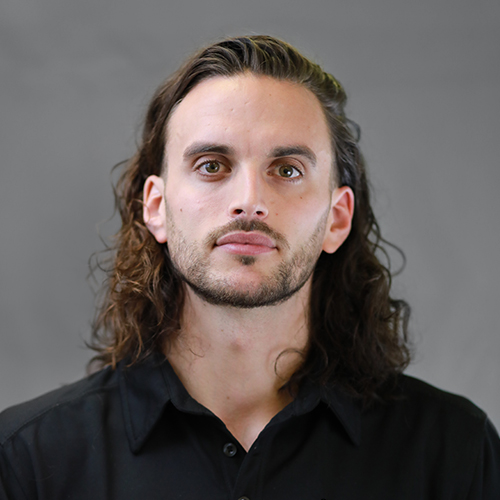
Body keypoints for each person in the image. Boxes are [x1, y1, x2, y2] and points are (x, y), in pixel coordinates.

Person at [0, 35, 498, 499]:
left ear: (337, 218)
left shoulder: (455, 452)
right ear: (156, 208)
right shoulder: (28, 459)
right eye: (212, 165)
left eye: (287, 170)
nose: (249, 200)